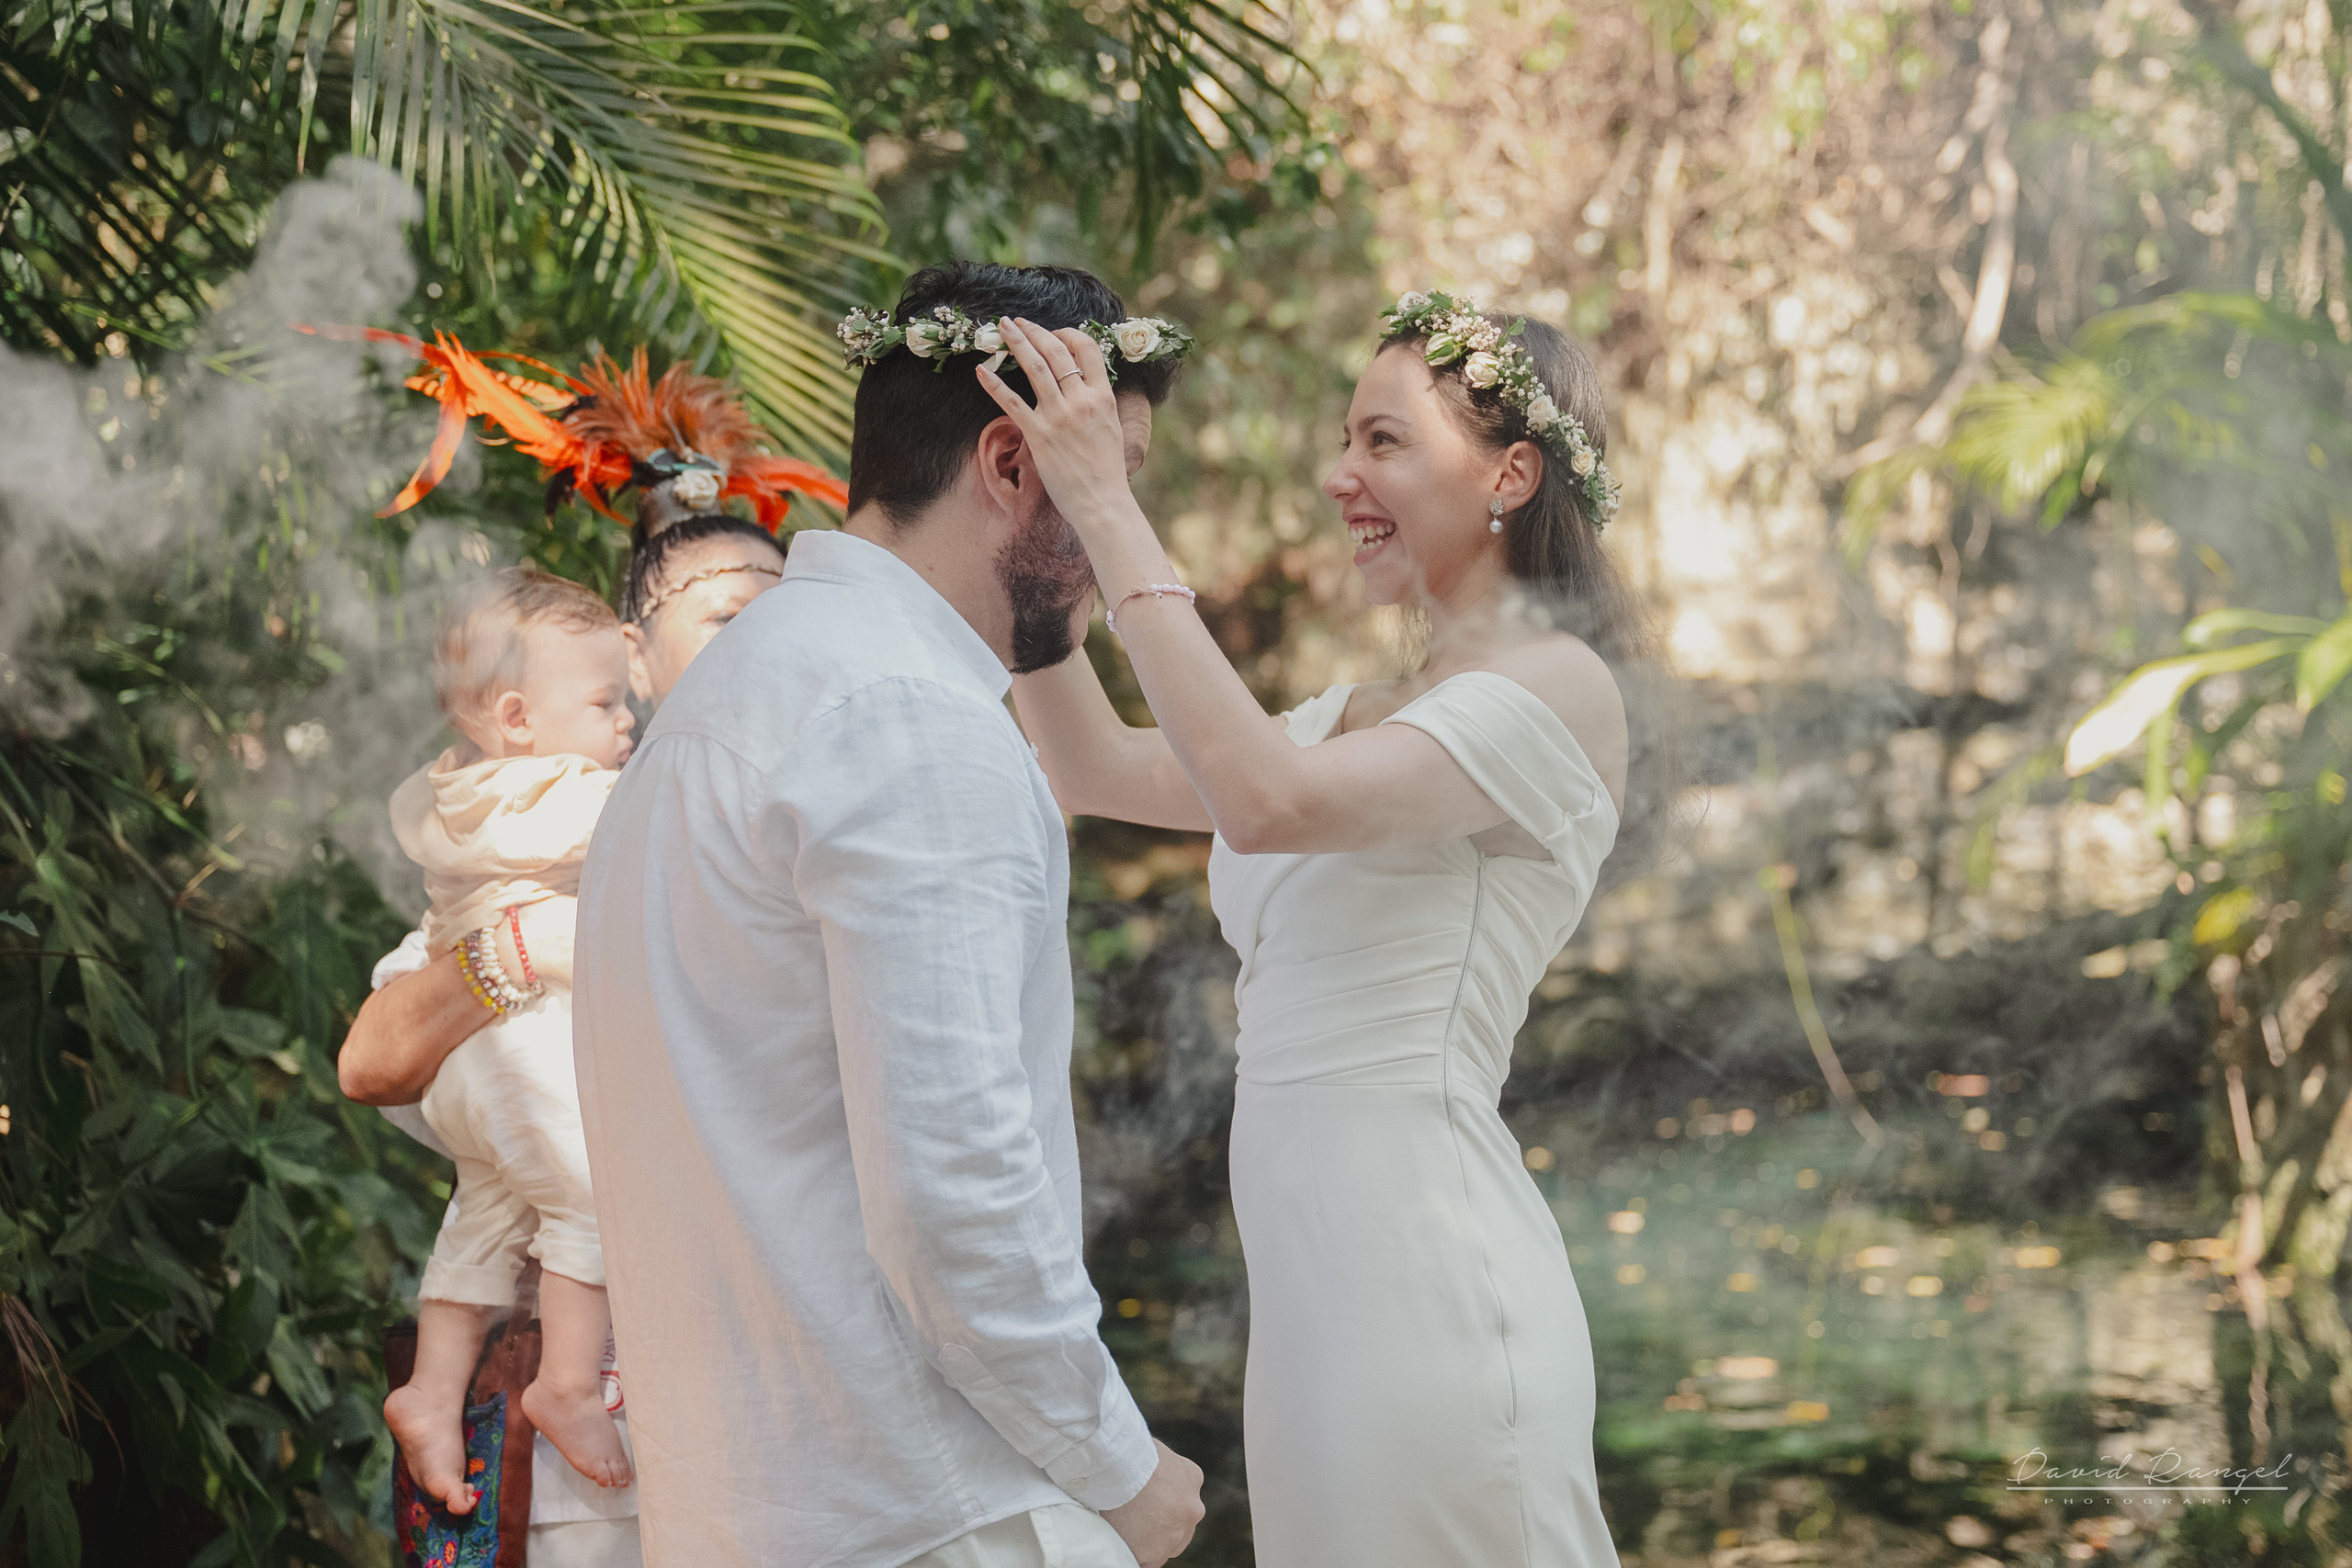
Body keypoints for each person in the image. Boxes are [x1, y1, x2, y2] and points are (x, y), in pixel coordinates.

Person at [983, 291, 1672, 1566]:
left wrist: (1108, 508)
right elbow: (1090, 764)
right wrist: (1040, 546)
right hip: (1316, 1301)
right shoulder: (1353, 712)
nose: (1337, 473)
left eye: (1383, 440)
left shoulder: (1554, 687)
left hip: (1432, 1280)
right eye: (1345, 439)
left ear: (1511, 474)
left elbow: (1269, 804)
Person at [571, 262, 1206, 1568]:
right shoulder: (906, 719)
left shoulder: (735, 693)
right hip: (933, 1508)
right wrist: (1122, 1467)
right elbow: (952, 1194)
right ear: (1013, 463)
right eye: (1116, 475)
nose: (1128, 531)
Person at [341, 513, 791, 1568]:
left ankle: (438, 1390)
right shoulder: (600, 811)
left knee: (488, 1213)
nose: (765, 647)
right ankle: (542, 1386)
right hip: (582, 1466)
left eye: (789, 621)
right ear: (639, 649)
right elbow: (371, 1061)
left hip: (769, 1417)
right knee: (554, 1190)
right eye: (728, 618)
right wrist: (523, 946)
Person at [380, 566, 638, 1511]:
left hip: (470, 1064)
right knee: (593, 1191)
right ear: (519, 718)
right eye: (606, 702)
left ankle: (431, 1390)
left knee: (488, 1214)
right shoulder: (563, 796)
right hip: (524, 1052)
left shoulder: (458, 795)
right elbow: (669, 821)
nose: (627, 723)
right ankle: (566, 1384)